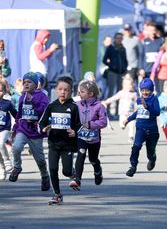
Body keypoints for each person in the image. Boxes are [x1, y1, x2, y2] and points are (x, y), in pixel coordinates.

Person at [39, 76, 81, 205]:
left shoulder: (74, 107)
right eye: (60, 89)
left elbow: (79, 125)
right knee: (52, 169)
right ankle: (57, 194)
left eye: (66, 90)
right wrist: (43, 129)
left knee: (66, 171)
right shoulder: (51, 106)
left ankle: (72, 173)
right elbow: (41, 123)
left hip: (68, 145)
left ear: (71, 92)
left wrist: (75, 132)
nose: (63, 92)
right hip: (53, 143)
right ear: (55, 90)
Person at [9, 72, 50, 192]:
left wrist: (33, 101)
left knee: (40, 159)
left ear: (36, 84)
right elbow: (19, 114)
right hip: (23, 129)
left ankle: (45, 176)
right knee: (16, 147)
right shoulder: (22, 96)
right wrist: (15, 128)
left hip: (35, 132)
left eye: (29, 82)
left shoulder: (42, 96)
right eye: (24, 82)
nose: (26, 84)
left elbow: (44, 111)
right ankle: (17, 167)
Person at [69, 80, 107, 190]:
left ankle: (98, 171)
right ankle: (77, 180)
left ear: (90, 94)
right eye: (78, 91)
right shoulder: (77, 105)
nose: (79, 94)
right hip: (81, 136)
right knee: (80, 155)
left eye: (81, 92)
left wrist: (91, 125)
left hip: (94, 138)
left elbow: (103, 122)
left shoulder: (99, 106)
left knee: (93, 159)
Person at [123, 78, 160, 177]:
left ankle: (152, 159)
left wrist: (147, 106)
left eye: (147, 90)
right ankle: (133, 167)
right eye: (143, 90)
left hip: (152, 130)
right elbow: (138, 112)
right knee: (136, 147)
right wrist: (128, 119)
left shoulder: (154, 99)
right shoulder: (139, 99)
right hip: (140, 129)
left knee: (150, 152)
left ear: (151, 90)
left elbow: (157, 112)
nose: (144, 92)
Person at [102, 74, 138, 143]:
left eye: (130, 85)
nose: (128, 87)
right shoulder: (121, 93)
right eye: (126, 85)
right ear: (123, 86)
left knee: (132, 126)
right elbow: (114, 98)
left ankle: (131, 137)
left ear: (132, 86)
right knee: (122, 124)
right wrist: (106, 102)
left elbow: (138, 102)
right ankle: (123, 125)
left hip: (131, 113)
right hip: (122, 113)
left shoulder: (134, 94)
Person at [102, 32, 128, 117]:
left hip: (121, 73)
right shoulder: (111, 48)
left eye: (121, 38)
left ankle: (117, 111)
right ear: (114, 39)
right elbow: (104, 60)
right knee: (111, 91)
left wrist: (125, 67)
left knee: (119, 92)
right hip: (112, 72)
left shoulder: (123, 48)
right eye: (118, 38)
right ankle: (108, 111)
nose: (119, 40)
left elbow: (125, 60)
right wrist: (111, 65)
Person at [0, 81, 17, 180]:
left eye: (1, 91)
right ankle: (2, 169)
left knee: (0, 143)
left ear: (5, 91)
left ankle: (7, 161)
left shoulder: (7, 103)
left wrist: (21, 121)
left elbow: (16, 114)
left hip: (4, 129)